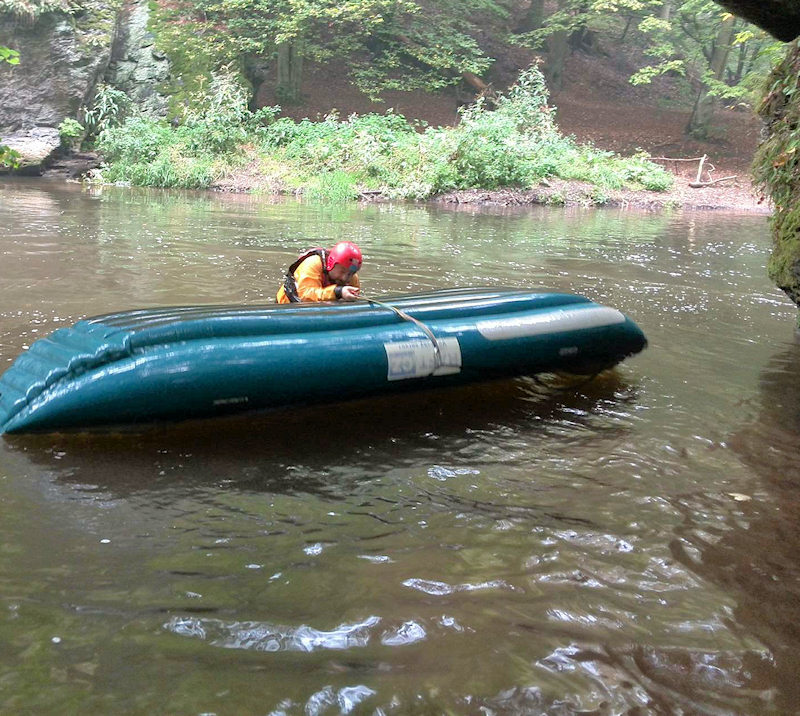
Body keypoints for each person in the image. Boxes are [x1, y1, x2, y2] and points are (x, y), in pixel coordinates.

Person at [276, 241, 362, 304]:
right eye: (342, 271)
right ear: (331, 264)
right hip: (286, 306)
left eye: (351, 273)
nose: (345, 278)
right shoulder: (313, 263)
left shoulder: (352, 278)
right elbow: (305, 296)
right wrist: (337, 292)